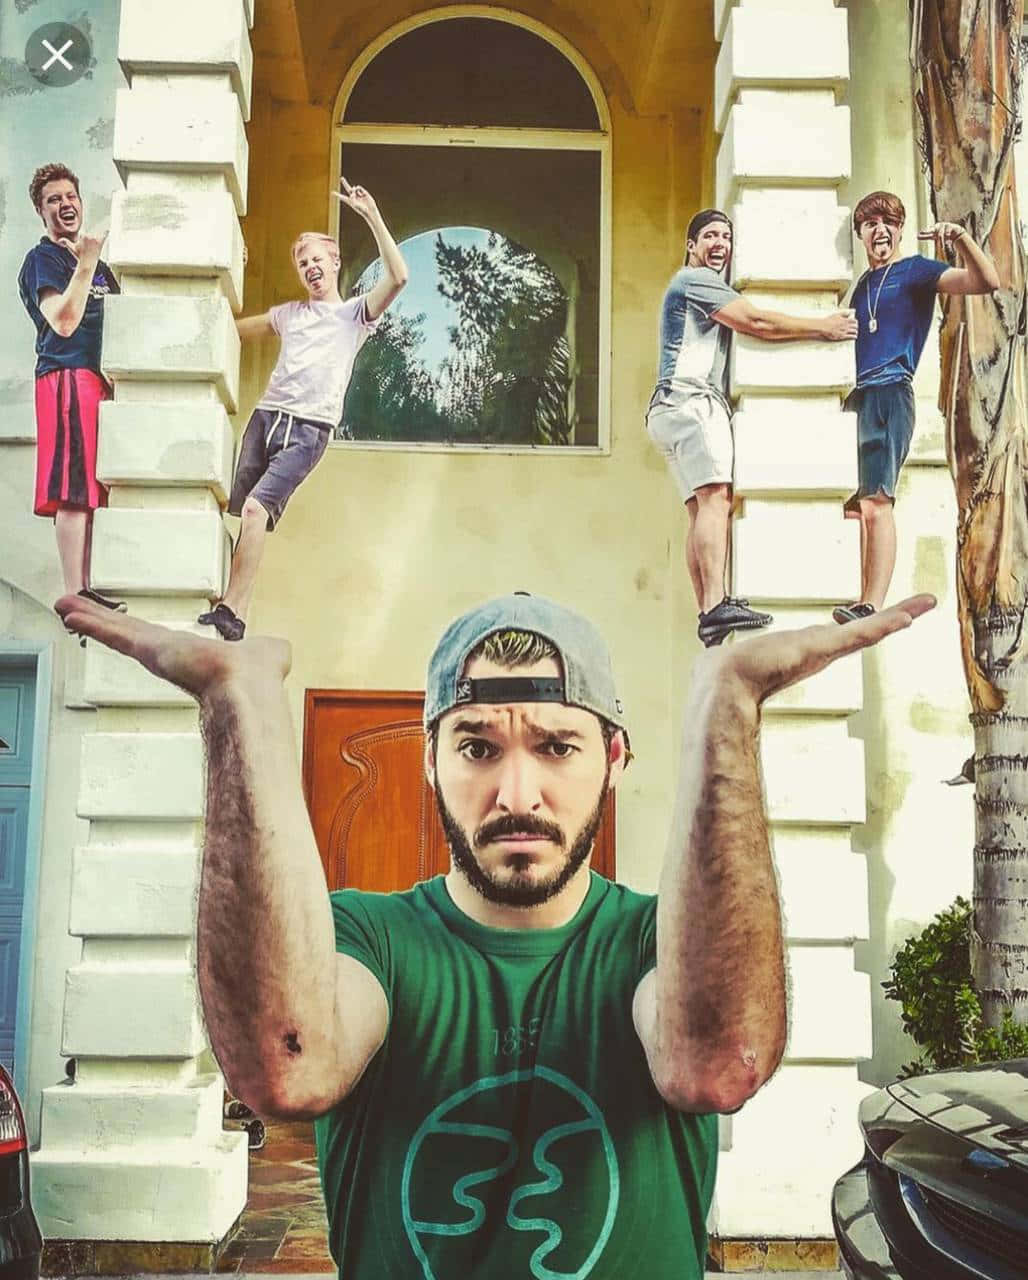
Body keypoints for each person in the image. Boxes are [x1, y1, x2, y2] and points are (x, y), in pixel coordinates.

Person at [55, 586, 935, 1279]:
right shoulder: (369, 939)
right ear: (430, 760)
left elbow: (714, 1066)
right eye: (477, 747)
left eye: (557, 746)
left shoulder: (656, 946)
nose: (517, 794)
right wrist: (235, 704)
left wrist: (730, 708)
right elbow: (287, 1066)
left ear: (615, 759)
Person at [198, 181, 409, 641]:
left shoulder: (354, 315)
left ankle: (233, 611)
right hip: (266, 418)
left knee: (257, 511)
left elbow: (398, 277)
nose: (311, 267)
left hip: (308, 431)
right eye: (302, 262)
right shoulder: (290, 314)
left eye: (318, 259)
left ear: (335, 263)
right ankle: (221, 602)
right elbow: (231, 328)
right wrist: (229, 265)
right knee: (235, 514)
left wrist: (371, 215)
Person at [647, 209, 859, 648]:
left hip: (668, 409)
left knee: (701, 508)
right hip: (691, 401)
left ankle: (709, 611)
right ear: (692, 246)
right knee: (716, 499)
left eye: (725, 235)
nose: (719, 243)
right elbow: (758, 323)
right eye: (709, 235)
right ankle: (716, 602)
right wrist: (823, 327)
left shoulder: (696, 285)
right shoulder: (695, 280)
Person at [832, 190, 999, 624]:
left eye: (888, 221)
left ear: (900, 228)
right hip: (859, 398)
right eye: (870, 224)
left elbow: (986, 281)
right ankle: (858, 597)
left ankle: (871, 604)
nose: (879, 230)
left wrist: (960, 238)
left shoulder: (916, 271)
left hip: (891, 393)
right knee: (854, 505)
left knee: (876, 503)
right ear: (861, 234)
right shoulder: (862, 286)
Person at [18, 162, 123, 609]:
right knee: (73, 487)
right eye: (54, 200)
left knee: (92, 489)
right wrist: (86, 263)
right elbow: (62, 321)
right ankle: (75, 593)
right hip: (66, 374)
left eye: (71, 197)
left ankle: (88, 588)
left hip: (96, 380)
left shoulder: (97, 267)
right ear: (42, 212)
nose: (66, 205)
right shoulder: (44, 259)